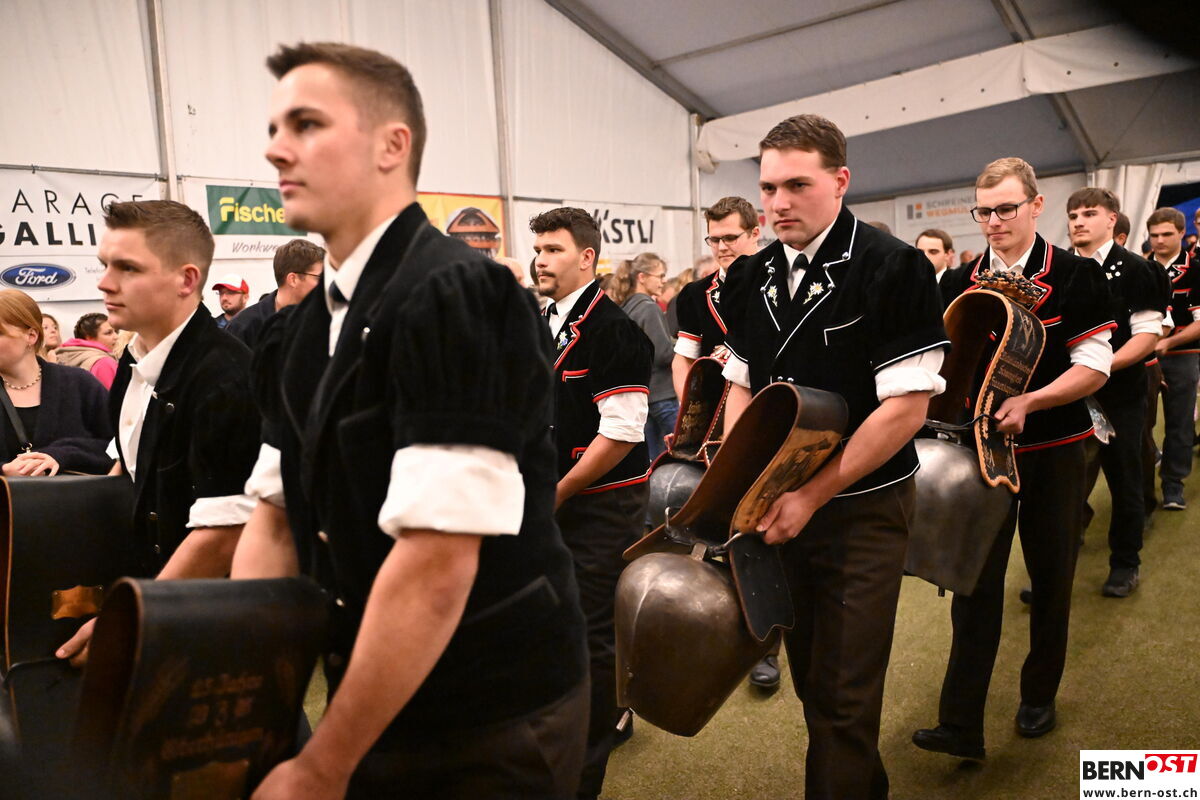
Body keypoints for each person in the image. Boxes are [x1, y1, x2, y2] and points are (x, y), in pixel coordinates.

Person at [230, 43, 588, 800]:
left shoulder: (457, 293)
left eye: (306, 124)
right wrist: (247, 708)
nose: (276, 149)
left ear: (392, 145)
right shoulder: (301, 330)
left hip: (486, 714)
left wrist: (324, 763)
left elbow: (435, 566)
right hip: (377, 691)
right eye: (273, 128)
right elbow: (273, 520)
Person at [720, 114, 949, 799]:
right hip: (778, 512)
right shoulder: (752, 273)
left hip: (860, 510)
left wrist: (810, 495)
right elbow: (742, 387)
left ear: (841, 180)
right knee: (818, 687)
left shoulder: (893, 266)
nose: (778, 202)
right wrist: (739, 483)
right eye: (768, 188)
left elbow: (905, 410)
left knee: (845, 700)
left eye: (797, 185)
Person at [917, 158, 1114, 759]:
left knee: (1051, 577)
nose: (993, 221)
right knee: (974, 580)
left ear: (1035, 205)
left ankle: (1038, 695)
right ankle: (961, 723)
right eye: (983, 211)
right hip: (978, 452)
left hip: (1054, 450)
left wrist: (1033, 400)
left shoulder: (1076, 275)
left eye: (1005, 208)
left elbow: (1094, 366)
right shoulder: (959, 280)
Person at [55, 199, 261, 666]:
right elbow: (128, 470)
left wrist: (129, 618)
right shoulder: (132, 362)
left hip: (208, 623)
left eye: (127, 267)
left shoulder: (227, 377)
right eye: (105, 265)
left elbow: (226, 531)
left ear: (186, 280)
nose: (105, 282)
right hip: (156, 599)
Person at [531, 206, 651, 800]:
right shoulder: (541, 321)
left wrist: (553, 494)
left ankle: (585, 771)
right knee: (552, 627)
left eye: (553, 250)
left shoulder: (615, 330)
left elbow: (621, 435)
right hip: (553, 505)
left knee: (592, 639)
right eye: (538, 249)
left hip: (601, 508)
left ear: (587, 258)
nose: (540, 260)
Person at [1067, 187, 1167, 596]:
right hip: (1068, 398)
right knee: (1062, 487)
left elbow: (1146, 338)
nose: (1078, 221)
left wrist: (1095, 370)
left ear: (1112, 219)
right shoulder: (1061, 270)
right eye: (1074, 215)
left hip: (1121, 394)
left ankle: (1125, 563)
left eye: (1089, 213)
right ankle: (1054, 570)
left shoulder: (1139, 270)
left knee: (1125, 479)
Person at [0, 290, 112, 476]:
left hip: (75, 494)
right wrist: (4, 470)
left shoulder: (79, 383)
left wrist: (62, 455)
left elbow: (120, 446)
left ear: (31, 336)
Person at [672, 195, 760, 401]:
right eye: (714, 240)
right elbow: (683, 360)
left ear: (754, 234)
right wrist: (689, 411)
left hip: (767, 403)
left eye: (730, 238)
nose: (721, 247)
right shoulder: (695, 293)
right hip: (714, 406)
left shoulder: (778, 282)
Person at [1146, 207, 1200, 510]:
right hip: (1143, 356)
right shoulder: (1140, 268)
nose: (1160, 240)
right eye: (1154, 235)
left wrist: (1168, 342)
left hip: (1182, 354)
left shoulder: (1196, 269)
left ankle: (1173, 484)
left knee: (1179, 422)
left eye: (1167, 234)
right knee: (1138, 423)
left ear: (1181, 232)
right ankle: (1143, 483)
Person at [608, 253, 678, 462]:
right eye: (660, 276)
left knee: (653, 460)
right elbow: (662, 354)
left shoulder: (626, 308)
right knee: (681, 454)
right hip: (663, 395)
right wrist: (682, 348)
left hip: (643, 396)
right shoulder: (649, 308)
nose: (663, 281)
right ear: (642, 277)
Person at [228, 239, 325, 350]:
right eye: (320, 278)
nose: (325, 283)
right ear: (293, 279)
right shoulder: (243, 327)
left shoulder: (326, 322)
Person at [54, 312, 120, 389]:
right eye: (108, 333)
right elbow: (114, 395)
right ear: (89, 337)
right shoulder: (104, 362)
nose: (116, 337)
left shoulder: (66, 357)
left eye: (116, 332)